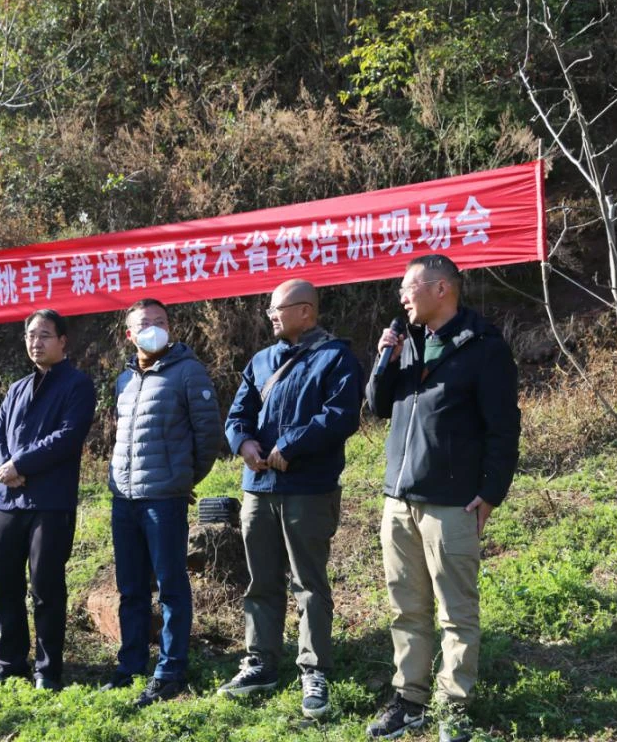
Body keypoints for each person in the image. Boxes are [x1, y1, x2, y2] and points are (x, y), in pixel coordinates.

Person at [364, 255, 520, 742]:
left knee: (457, 611)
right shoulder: (407, 342)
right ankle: (409, 699)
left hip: (451, 502)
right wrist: (385, 359)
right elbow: (376, 406)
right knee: (405, 608)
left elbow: (504, 428)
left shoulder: (483, 346)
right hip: (399, 499)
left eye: (408, 287)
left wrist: (491, 493)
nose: (401, 297)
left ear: (441, 289)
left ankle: (453, 704)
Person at [219, 279, 363, 720]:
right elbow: (238, 414)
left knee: (308, 583)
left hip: (309, 489)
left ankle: (314, 669)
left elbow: (340, 416)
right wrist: (244, 443)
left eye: (277, 309)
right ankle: (260, 662)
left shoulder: (335, 358)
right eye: (270, 310)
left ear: (306, 311)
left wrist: (292, 445)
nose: (271, 317)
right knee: (261, 581)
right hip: (258, 489)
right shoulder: (262, 360)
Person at [101, 299, 222, 707]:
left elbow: (208, 436)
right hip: (125, 498)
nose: (153, 328)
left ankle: (171, 670)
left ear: (170, 328)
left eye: (160, 321)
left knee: (171, 586)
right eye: (144, 324)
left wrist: (181, 479)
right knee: (131, 588)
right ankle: (131, 664)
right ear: (129, 335)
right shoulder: (124, 379)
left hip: (164, 499)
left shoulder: (188, 371)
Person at [0, 309, 97, 692]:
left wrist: (20, 464)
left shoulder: (77, 384)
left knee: (46, 588)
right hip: (6, 501)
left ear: (63, 341)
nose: (36, 342)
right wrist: (2, 467)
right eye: (31, 335)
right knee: (3, 587)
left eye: (45, 335)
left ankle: (47, 670)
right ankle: (9, 663)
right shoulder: (17, 388)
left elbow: (67, 436)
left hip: (49, 502)